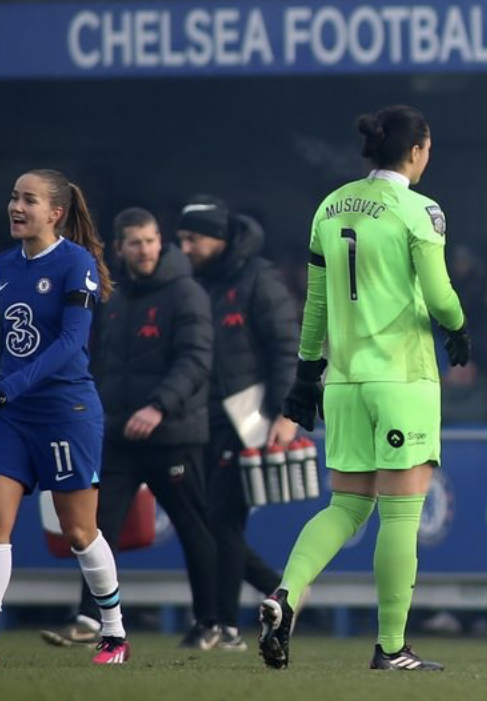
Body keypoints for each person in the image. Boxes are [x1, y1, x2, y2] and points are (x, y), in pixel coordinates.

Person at [260, 104, 469, 672]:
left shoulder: (330, 206)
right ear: (418, 150)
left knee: (346, 505)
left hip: (343, 381)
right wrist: (458, 329)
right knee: (400, 516)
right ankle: (392, 648)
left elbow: (317, 306)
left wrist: (306, 375)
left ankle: (285, 596)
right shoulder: (420, 210)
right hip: (401, 379)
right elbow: (441, 291)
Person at [47, 208, 221, 649]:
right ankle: (91, 619)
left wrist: (159, 408)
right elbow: (99, 362)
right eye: (135, 243)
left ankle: (209, 622)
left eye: (150, 240)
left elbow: (196, 361)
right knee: (95, 527)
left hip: (173, 436)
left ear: (160, 241)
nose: (144, 250)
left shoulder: (187, 293)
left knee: (193, 528)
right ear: (120, 248)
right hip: (118, 433)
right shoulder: (114, 297)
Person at [0, 169, 130, 664]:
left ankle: (114, 632)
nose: (16, 206)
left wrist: (8, 386)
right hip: (12, 415)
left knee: (79, 532)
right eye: (13, 197)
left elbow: (72, 342)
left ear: (54, 213)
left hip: (64, 412)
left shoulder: (77, 264)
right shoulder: (5, 267)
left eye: (28, 200)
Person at [177, 195, 298, 649]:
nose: (183, 247)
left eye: (193, 238)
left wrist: (286, 412)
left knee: (222, 520)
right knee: (207, 522)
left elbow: (287, 349)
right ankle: (280, 589)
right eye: (181, 238)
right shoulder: (192, 282)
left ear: (220, 238)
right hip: (196, 420)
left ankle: (224, 626)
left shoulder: (258, 280)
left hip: (245, 419)